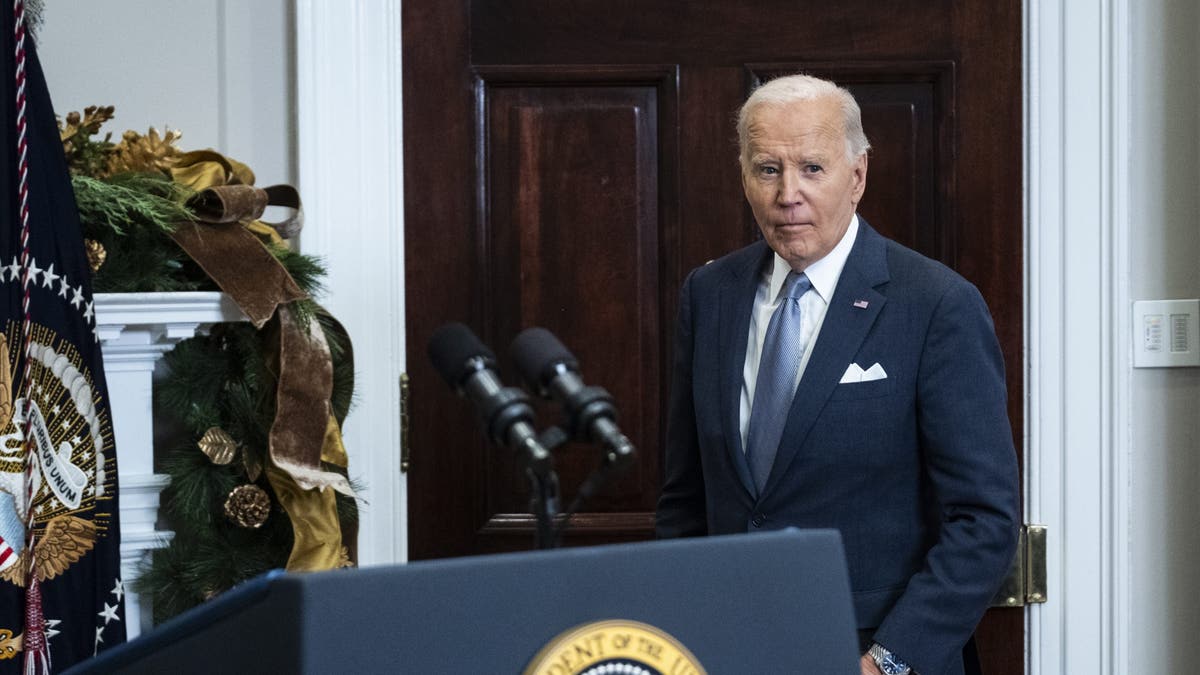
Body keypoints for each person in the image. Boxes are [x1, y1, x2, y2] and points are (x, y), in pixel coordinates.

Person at [655, 74, 1020, 675]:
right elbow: (685, 497)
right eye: (767, 169)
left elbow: (984, 520)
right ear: (744, 176)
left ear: (858, 176)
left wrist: (884, 663)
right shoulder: (710, 294)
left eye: (812, 169)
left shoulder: (935, 304)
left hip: (873, 653)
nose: (787, 194)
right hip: (730, 648)